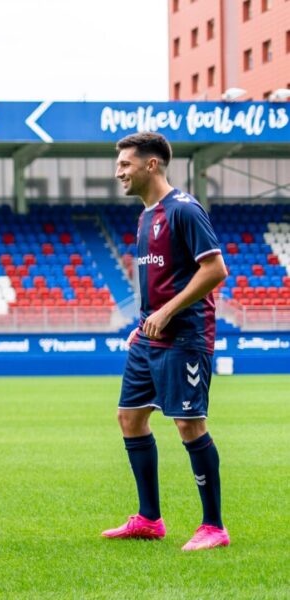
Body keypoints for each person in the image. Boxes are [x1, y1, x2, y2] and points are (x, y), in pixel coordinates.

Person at [101, 132, 230, 551]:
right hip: (149, 334)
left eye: (125, 164)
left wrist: (167, 311)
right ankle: (149, 519)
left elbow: (214, 270)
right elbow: (160, 280)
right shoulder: (145, 216)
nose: (118, 171)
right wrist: (144, 321)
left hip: (184, 336)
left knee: (189, 425)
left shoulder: (184, 210)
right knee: (130, 418)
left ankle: (214, 526)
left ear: (151, 164)